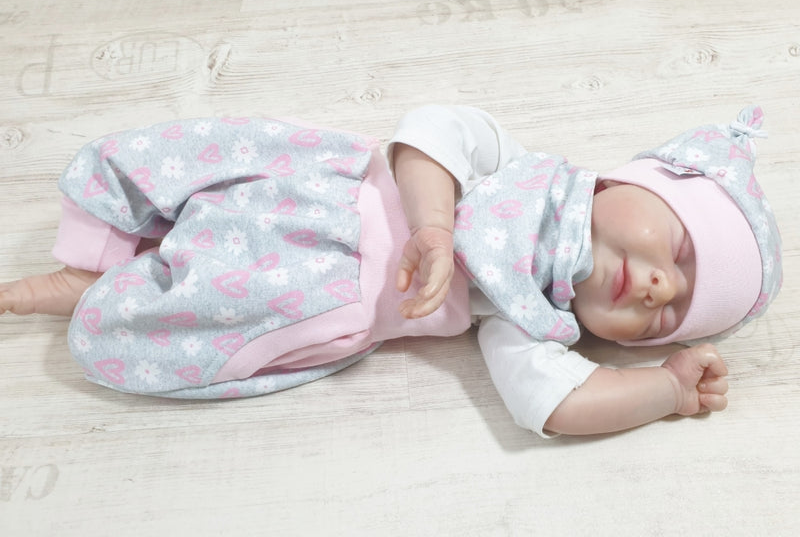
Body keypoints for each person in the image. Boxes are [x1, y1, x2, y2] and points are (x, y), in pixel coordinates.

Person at [0, 105, 782, 438]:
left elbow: (549, 403)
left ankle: (79, 290)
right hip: (316, 186)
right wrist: (434, 223)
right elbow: (432, 128)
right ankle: (98, 235)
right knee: (182, 161)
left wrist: (666, 390)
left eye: (668, 317)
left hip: (309, 295)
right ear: (635, 185)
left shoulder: (526, 318)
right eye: (680, 251)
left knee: (193, 313)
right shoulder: (517, 167)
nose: (661, 287)